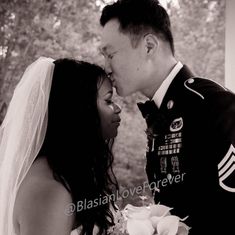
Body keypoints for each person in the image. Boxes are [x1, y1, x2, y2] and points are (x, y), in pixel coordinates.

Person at [99, 0, 235, 234]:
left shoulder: (212, 104)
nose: (106, 66)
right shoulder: (159, 112)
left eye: (110, 54)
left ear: (149, 46)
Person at [0, 57, 122, 235]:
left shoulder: (62, 173)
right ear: (80, 110)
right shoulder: (49, 192)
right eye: (108, 101)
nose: (118, 108)